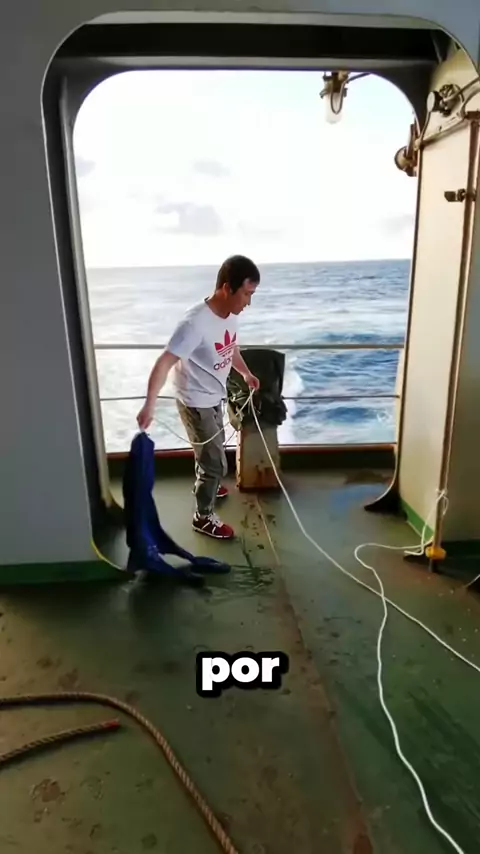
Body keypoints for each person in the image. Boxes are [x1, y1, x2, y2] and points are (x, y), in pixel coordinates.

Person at [136, 255, 260, 540]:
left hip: (214, 395)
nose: (248, 302)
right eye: (246, 294)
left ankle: (207, 481)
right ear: (226, 288)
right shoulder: (194, 323)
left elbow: (231, 347)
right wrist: (149, 405)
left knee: (210, 452)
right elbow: (164, 362)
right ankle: (203, 517)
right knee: (216, 463)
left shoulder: (230, 315)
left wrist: (245, 373)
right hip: (194, 401)